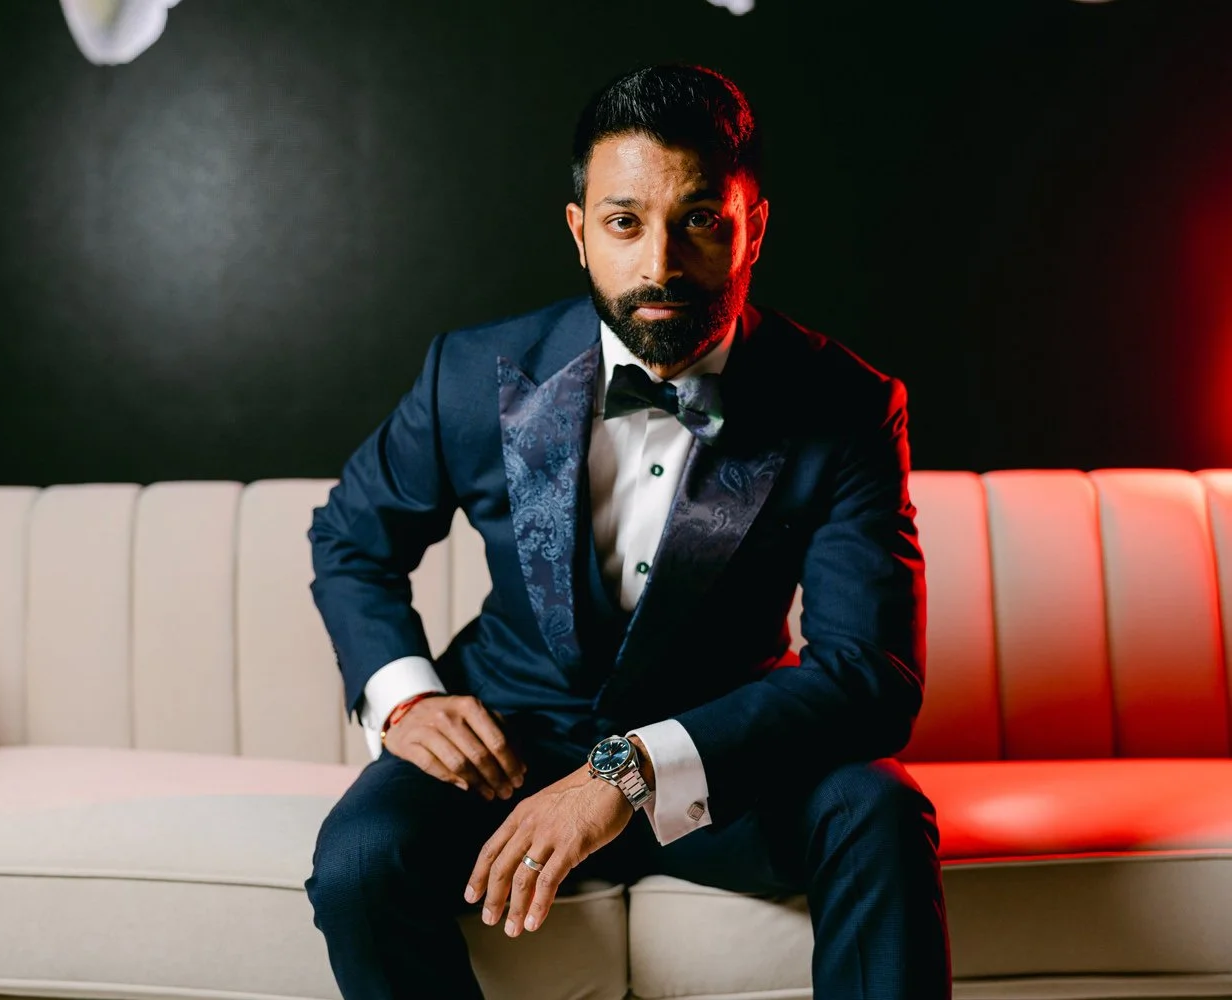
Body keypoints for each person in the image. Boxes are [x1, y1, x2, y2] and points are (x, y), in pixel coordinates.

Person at [304, 62, 951, 999]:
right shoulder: (471, 374)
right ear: (579, 232)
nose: (659, 266)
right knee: (360, 862)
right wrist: (407, 700)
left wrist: (633, 770)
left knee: (880, 812)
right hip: (509, 747)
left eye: (700, 220)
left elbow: (871, 675)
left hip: (726, 760)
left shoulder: (847, 405)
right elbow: (350, 541)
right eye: (624, 223)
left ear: (754, 228)